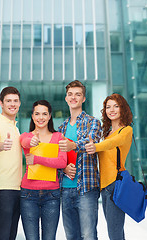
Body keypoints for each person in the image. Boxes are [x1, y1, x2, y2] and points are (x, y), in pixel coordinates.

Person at [85, 93, 133, 240]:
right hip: (104, 187)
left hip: (115, 185)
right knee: (114, 231)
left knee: (115, 232)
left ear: (122, 109)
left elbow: (112, 143)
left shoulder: (125, 130)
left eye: (116, 106)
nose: (111, 110)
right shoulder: (106, 133)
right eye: (108, 107)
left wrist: (96, 146)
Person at [58, 80, 102, 240]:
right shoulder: (61, 128)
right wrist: (63, 169)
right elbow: (56, 157)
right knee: (71, 236)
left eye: (78, 94)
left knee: (88, 235)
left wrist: (73, 145)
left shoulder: (93, 122)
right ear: (66, 98)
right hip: (65, 189)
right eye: (70, 94)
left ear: (83, 99)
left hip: (86, 189)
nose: (73, 97)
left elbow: (92, 141)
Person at [20, 100, 67, 240]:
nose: (41, 117)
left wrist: (37, 159)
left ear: (50, 116)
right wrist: (32, 142)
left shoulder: (59, 137)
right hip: (28, 194)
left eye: (44, 114)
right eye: (37, 114)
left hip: (52, 194)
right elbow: (24, 142)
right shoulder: (26, 136)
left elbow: (62, 162)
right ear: (33, 116)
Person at [0, 87, 22, 240]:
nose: (12, 104)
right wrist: (1, 145)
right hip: (1, 188)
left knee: (11, 235)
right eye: (8, 101)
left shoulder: (15, 127)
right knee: (1, 235)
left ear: (19, 103)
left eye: (15, 101)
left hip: (17, 187)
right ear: (1, 103)